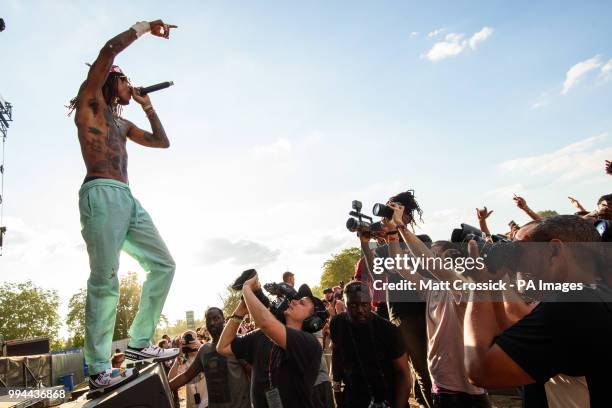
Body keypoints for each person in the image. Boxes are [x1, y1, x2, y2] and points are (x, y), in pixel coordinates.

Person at [68, 19, 179, 389]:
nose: (131, 85)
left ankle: (138, 344)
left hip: (127, 199)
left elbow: (163, 143)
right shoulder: (91, 104)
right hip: (100, 193)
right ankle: (99, 366)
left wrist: (147, 106)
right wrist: (145, 27)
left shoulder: (123, 124)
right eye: (126, 80)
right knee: (105, 279)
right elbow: (108, 52)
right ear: (111, 81)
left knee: (163, 264)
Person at [464, 215, 612, 405]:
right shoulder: (594, 294)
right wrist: (493, 284)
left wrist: (479, 287)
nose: (516, 263)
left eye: (519, 251)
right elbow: (517, 331)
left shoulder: (570, 305)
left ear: (554, 250)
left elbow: (481, 371)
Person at [385, 203, 490, 407]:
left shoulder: (466, 287)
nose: (431, 257)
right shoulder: (431, 287)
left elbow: (428, 261)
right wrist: (391, 232)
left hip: (471, 388)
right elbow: (397, 263)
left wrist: (401, 226)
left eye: (438, 253)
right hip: (442, 383)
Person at [357, 190, 432, 408]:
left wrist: (398, 230)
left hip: (425, 310)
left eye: (393, 211)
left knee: (427, 369)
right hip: (400, 314)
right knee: (415, 369)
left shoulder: (421, 241)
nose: (385, 217)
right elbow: (374, 273)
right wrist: (364, 243)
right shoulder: (384, 246)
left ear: (406, 215)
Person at [217, 273, 326, 408]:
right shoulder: (261, 336)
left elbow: (266, 323)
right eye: (297, 299)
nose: (294, 301)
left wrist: (247, 288)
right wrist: (241, 308)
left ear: (311, 321)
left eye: (301, 303)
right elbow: (223, 347)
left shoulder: (309, 344)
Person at [330, 281, 412, 408]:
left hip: (388, 396)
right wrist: (336, 389)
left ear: (371, 302)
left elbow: (403, 374)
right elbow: (336, 354)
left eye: (364, 304)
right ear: (345, 305)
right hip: (353, 395)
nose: (360, 310)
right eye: (353, 305)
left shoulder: (388, 330)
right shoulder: (337, 323)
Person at [170, 308, 251, 408]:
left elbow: (252, 373)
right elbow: (187, 376)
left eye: (216, 318)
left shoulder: (236, 343)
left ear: (224, 320)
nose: (212, 323)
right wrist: (164, 387)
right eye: (209, 320)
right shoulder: (204, 350)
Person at [168, 330, 208, 408]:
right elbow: (170, 379)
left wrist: (201, 347)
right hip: (192, 404)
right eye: (186, 340)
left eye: (192, 338)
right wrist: (178, 358)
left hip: (208, 402)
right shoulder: (183, 361)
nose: (189, 342)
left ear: (197, 340)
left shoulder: (205, 354)